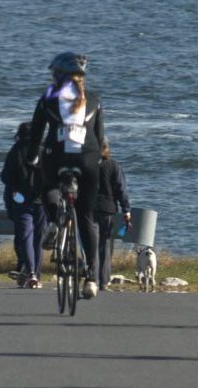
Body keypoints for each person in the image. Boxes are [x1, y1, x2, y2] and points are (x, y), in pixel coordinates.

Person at [29, 51, 106, 299]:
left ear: (58, 75)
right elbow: (101, 138)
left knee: (48, 187)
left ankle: (53, 221)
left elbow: (36, 135)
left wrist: (32, 158)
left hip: (57, 157)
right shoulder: (94, 99)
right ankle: (92, 276)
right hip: (89, 160)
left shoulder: (48, 98)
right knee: (86, 216)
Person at [0, 121, 47, 288]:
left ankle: (30, 272)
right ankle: (36, 275)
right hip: (42, 201)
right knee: (38, 239)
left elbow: (5, 177)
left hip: (21, 199)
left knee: (26, 236)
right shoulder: (44, 150)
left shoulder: (16, 151)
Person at [91, 138, 132, 293]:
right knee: (105, 245)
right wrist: (126, 210)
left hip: (89, 209)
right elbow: (121, 189)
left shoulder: (88, 165)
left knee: (92, 245)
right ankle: (104, 281)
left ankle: (92, 278)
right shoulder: (114, 165)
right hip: (108, 208)